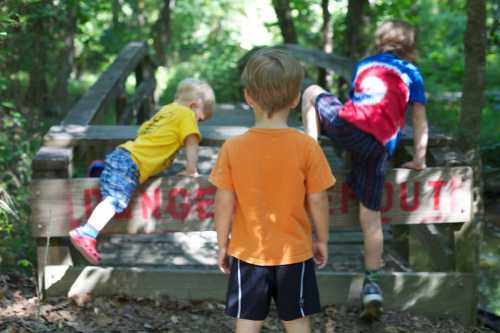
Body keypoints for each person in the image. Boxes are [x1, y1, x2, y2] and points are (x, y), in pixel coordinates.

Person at [301, 19, 428, 320]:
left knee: (311, 92)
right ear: (410, 47)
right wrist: (420, 159)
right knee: (372, 219)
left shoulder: (366, 64)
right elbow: (419, 120)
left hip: (351, 127)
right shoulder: (413, 74)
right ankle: (372, 283)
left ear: (379, 42)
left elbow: (358, 102)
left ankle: (309, 156)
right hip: (379, 147)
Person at [210, 48, 336, 333]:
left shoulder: (233, 148)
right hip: (295, 253)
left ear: (248, 97)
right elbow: (318, 199)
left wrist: (221, 244)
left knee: (247, 323)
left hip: (248, 253)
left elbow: (223, 202)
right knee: (298, 321)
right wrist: (323, 239)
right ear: (295, 99)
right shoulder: (307, 147)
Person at [69, 78, 216, 265]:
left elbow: (144, 134)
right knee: (115, 200)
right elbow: (192, 143)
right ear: (194, 105)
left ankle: (102, 170)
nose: (197, 124)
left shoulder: (164, 112)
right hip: (131, 163)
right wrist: (191, 170)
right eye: (200, 119)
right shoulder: (186, 114)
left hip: (125, 155)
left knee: (116, 190)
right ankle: (87, 232)